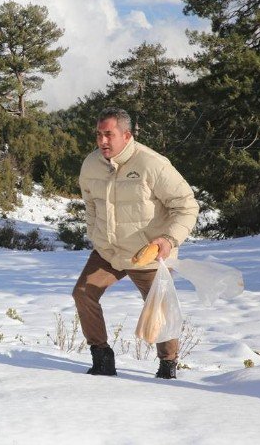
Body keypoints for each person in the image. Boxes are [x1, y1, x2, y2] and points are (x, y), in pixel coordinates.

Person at [73, 107, 198, 379]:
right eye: (98, 135)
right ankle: (102, 357)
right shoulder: (90, 164)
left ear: (127, 135)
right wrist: (96, 234)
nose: (102, 141)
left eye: (109, 134)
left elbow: (187, 206)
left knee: (160, 307)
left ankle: (168, 366)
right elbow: (91, 205)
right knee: (83, 293)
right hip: (108, 251)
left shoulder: (152, 163)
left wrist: (168, 238)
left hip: (147, 253)